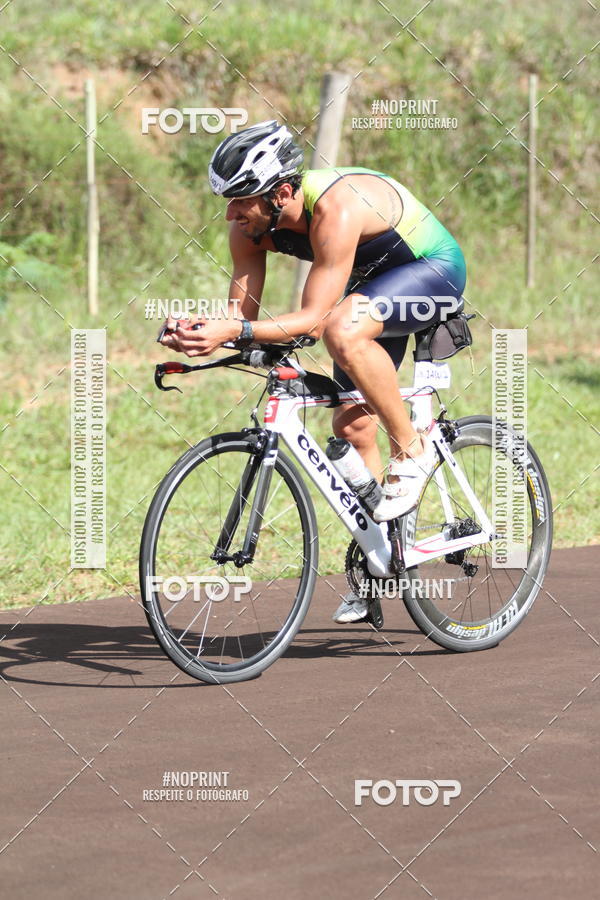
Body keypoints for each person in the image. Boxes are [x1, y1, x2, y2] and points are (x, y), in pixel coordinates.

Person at [161, 120, 467, 624]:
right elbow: (243, 318)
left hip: (431, 271)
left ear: (282, 192)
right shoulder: (249, 230)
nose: (231, 213)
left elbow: (316, 320)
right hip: (371, 291)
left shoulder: (335, 207)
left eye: (241, 200)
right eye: (227, 200)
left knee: (343, 331)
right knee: (351, 425)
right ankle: (382, 559)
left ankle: (411, 448)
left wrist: (235, 332)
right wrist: (202, 333)